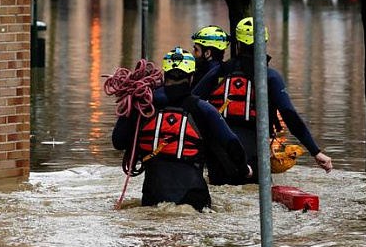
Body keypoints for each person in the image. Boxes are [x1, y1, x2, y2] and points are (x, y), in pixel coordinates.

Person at [194, 17, 333, 184]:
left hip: (218, 154)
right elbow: (290, 116)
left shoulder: (219, 72)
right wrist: (315, 152)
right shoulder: (270, 76)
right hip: (254, 154)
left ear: (237, 44)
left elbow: (190, 103)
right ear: (264, 42)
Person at [112, 47, 252, 211]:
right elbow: (232, 144)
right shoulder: (203, 109)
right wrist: (244, 170)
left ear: (164, 75)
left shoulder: (141, 105)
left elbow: (118, 142)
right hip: (194, 198)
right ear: (191, 77)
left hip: (152, 196)